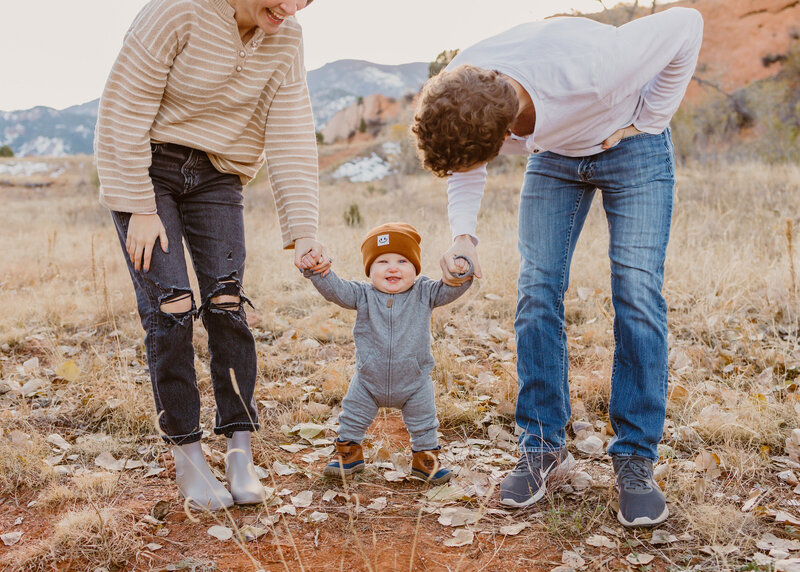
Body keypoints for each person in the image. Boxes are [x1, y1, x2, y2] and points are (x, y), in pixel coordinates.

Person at [411, 7, 703, 526]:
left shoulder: (594, 65)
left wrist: (649, 119)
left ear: (504, 135)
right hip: (554, 158)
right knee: (536, 290)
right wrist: (464, 237)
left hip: (632, 146)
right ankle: (541, 445)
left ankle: (636, 459)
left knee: (636, 292)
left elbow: (687, 23)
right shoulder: (467, 81)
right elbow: (464, 163)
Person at [94, 0, 329, 511]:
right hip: (149, 171)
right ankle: (189, 457)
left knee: (227, 304)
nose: (291, 8)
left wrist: (304, 229)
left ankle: (239, 451)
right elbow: (124, 107)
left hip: (219, 175)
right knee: (173, 306)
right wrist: (137, 204)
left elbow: (289, 130)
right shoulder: (178, 12)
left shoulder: (287, 37)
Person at [301, 223, 473, 483]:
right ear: (369, 270)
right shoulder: (362, 294)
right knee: (352, 415)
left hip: (414, 381)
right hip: (368, 380)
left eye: (403, 260)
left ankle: (425, 460)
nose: (393, 267)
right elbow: (335, 290)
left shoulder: (425, 291)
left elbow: (451, 288)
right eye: (382, 261)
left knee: (425, 422)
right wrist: (317, 271)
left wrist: (461, 272)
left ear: (416, 268)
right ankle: (348, 454)